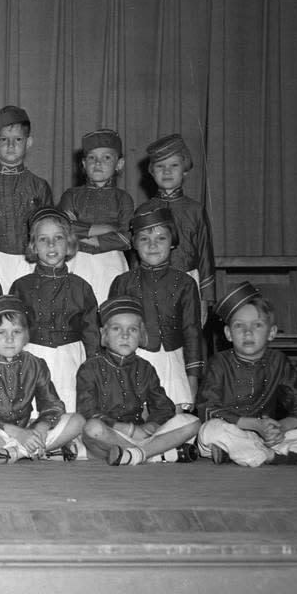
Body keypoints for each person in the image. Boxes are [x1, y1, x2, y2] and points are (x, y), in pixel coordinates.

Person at [195, 282, 297, 466]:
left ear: (272, 332)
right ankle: (276, 456)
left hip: (268, 436)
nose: (248, 332)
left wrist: (281, 428)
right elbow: (208, 409)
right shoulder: (218, 363)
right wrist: (254, 425)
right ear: (228, 333)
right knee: (210, 431)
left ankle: (251, 453)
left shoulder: (279, 361)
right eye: (239, 326)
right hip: (233, 431)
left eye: (257, 325)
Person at [76, 296, 201, 466]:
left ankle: (136, 454)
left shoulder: (146, 368)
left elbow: (164, 407)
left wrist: (152, 426)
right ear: (104, 335)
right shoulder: (90, 368)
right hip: (110, 433)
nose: (125, 335)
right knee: (92, 428)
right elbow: (88, 411)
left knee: (191, 422)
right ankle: (152, 453)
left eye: (133, 330)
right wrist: (127, 430)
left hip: (141, 433)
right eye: (116, 329)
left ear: (142, 335)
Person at [0, 295, 85, 463]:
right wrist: (17, 433)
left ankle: (14, 453)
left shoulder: (36, 364)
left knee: (78, 421)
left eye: (17, 332)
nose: (9, 339)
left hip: (28, 428)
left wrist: (42, 427)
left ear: (27, 335)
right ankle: (39, 450)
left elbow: (53, 405)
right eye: (1, 332)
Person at [108, 206, 202, 409]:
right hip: (135, 359)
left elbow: (192, 331)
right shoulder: (123, 282)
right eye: (144, 239)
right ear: (134, 244)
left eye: (161, 238)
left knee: (175, 419)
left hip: (172, 361)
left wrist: (192, 377)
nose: (152, 245)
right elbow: (113, 332)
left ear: (173, 242)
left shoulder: (185, 283)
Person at [9, 207, 99, 412]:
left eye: (58, 238)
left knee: (71, 410)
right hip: (32, 357)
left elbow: (91, 332)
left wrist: (95, 369)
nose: (51, 244)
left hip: (71, 358)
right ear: (33, 246)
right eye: (43, 239)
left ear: (69, 244)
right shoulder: (21, 286)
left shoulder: (81, 287)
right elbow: (14, 329)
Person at [0, 105, 53, 291]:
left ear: (28, 142)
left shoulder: (39, 185)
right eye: (4, 139)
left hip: (30, 262)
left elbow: (48, 231)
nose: (11, 145)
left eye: (18, 139)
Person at [142, 133, 216, 316]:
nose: (167, 171)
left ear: (185, 169)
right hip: (151, 283)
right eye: (160, 166)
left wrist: (205, 299)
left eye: (174, 165)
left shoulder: (195, 210)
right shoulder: (143, 210)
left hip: (188, 281)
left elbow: (205, 255)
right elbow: (137, 258)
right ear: (152, 172)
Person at [57, 128, 133, 303]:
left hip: (112, 262)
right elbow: (63, 229)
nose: (98, 163)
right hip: (76, 261)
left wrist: (82, 233)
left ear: (119, 164)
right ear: (83, 164)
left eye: (106, 157)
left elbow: (126, 239)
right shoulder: (72, 195)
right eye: (92, 157)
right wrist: (106, 229)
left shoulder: (123, 198)